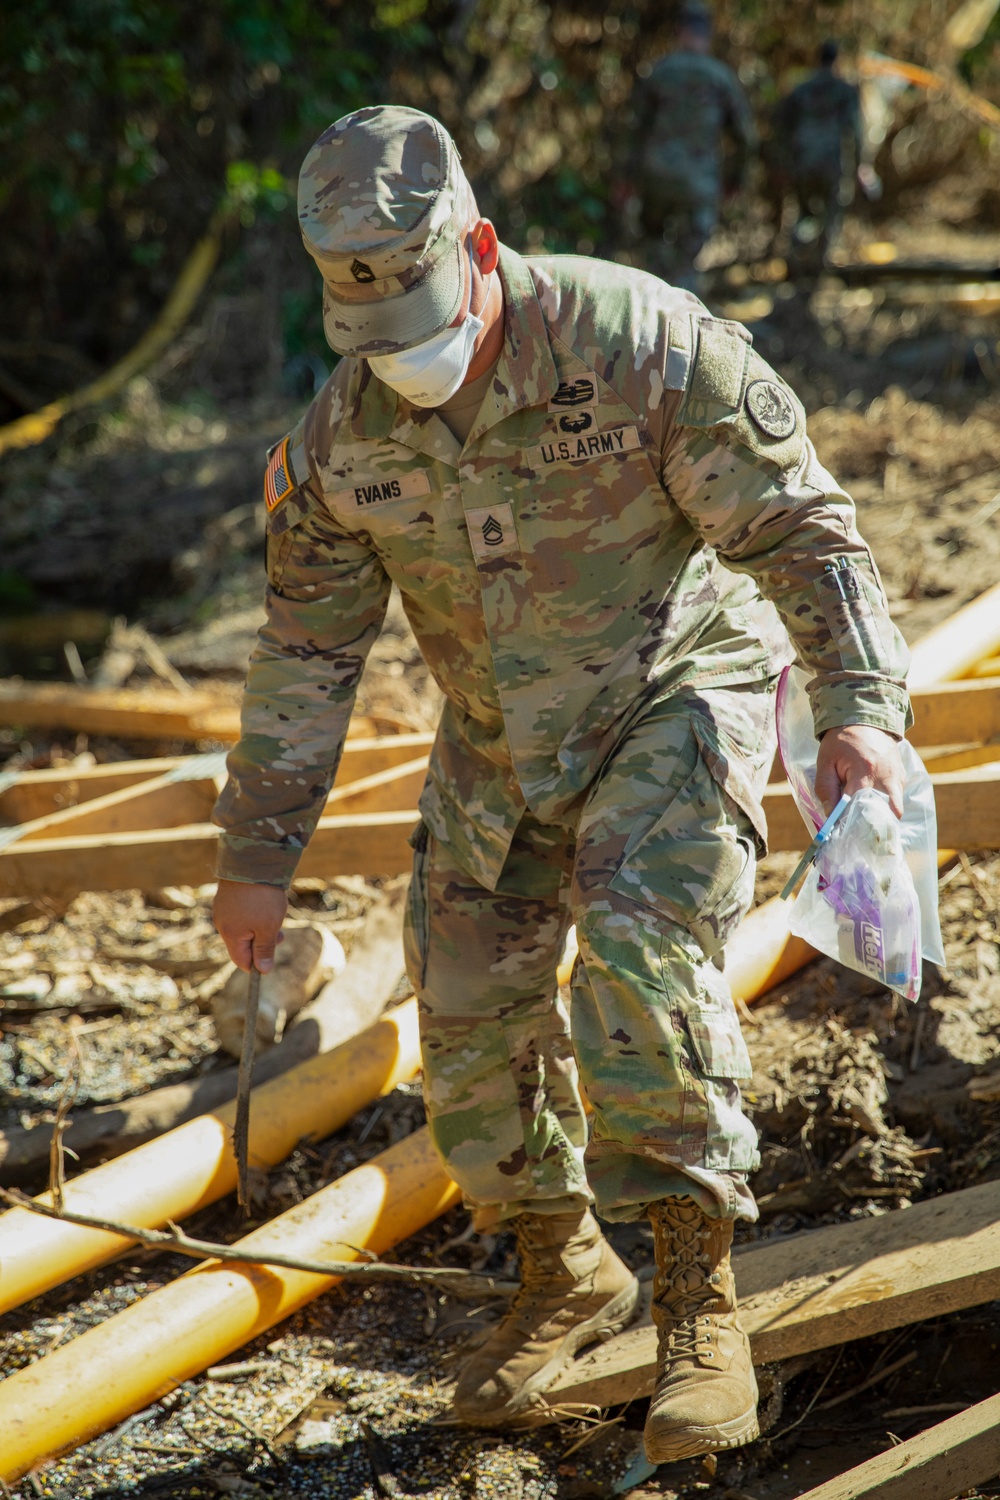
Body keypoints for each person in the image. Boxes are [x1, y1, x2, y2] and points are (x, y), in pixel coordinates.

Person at [212, 105, 910, 1461]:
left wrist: (862, 711)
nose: (403, 361)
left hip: (674, 684)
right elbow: (306, 647)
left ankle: (703, 1304)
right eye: (371, 336)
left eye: (421, 321)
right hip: (496, 741)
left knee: (640, 959)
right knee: (468, 1015)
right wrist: (256, 857)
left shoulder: (641, 345)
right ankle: (560, 1270)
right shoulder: (345, 437)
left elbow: (802, 529)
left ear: (477, 247)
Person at [629, 1, 757, 291]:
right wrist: (736, 181)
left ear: (679, 31)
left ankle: (651, 316)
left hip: (656, 179)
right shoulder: (720, 77)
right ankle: (681, 325)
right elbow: (746, 138)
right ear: (708, 35)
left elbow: (635, 130)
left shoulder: (660, 72)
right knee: (687, 265)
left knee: (652, 258)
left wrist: (626, 178)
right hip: (699, 184)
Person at [777, 41, 863, 269]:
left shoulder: (801, 89)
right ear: (838, 60)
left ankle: (796, 256)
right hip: (832, 163)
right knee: (831, 214)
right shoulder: (844, 90)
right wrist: (860, 165)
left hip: (803, 161)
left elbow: (782, 127)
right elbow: (855, 131)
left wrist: (785, 162)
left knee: (805, 213)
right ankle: (820, 264)